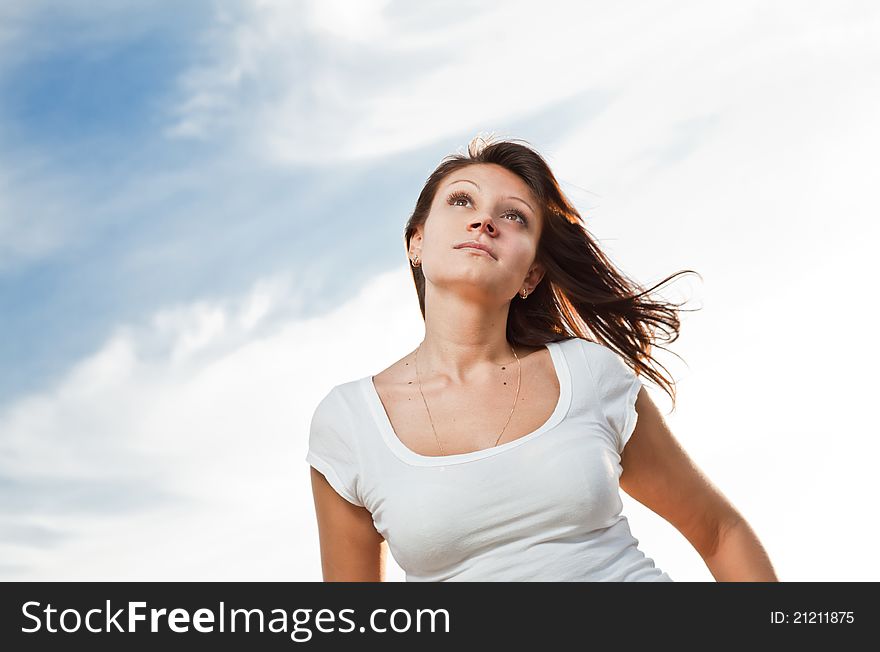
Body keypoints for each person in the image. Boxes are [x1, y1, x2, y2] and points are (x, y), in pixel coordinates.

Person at [306, 134, 778, 582]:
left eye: (513, 216)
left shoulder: (588, 374)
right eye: (461, 200)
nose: (483, 221)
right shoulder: (348, 423)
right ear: (416, 242)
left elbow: (719, 532)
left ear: (531, 275)